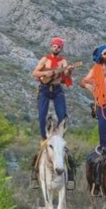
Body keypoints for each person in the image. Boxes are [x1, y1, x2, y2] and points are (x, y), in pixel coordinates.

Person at [30, 37, 76, 187]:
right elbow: (35, 73)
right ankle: (44, 139)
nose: (56, 48)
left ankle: (60, 138)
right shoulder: (45, 59)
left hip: (57, 90)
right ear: (51, 46)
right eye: (54, 46)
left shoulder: (63, 62)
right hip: (44, 89)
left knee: (63, 116)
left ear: (61, 48)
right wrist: (47, 73)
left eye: (58, 46)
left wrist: (69, 71)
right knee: (42, 116)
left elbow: (67, 77)